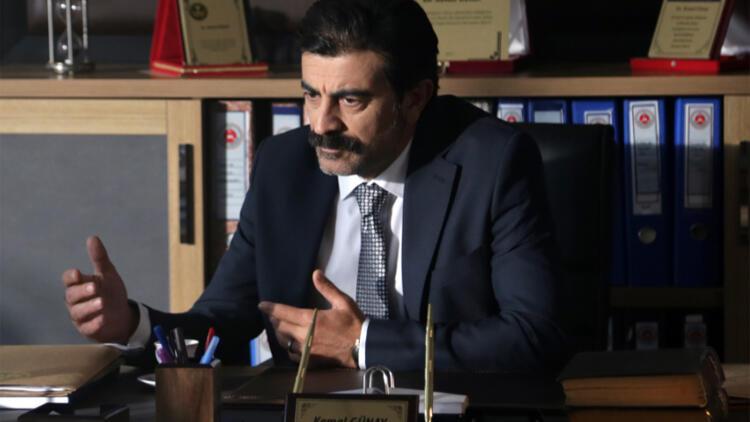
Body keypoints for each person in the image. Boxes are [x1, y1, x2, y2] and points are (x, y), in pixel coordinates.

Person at [62, 0, 568, 373]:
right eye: (310, 95)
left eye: (350, 100)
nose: (321, 124)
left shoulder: (492, 163)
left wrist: (363, 344)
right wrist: (131, 324)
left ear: (415, 98)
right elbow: (225, 320)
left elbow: (534, 335)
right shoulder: (283, 166)